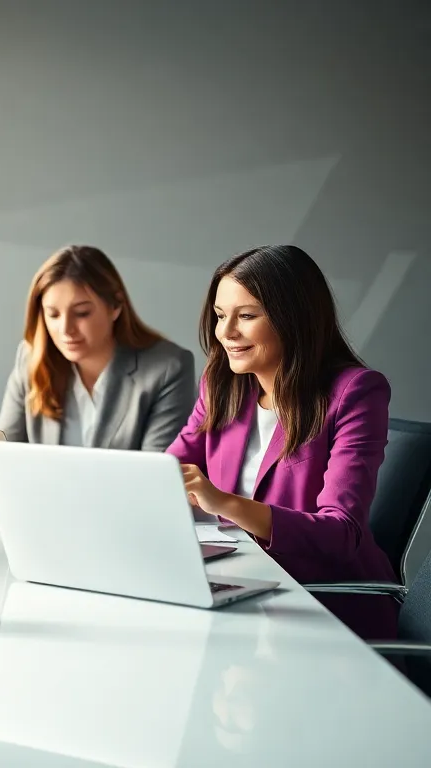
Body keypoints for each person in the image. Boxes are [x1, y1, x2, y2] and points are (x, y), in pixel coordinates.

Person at [167, 245, 396, 639]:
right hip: (243, 582)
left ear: (294, 319)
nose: (226, 332)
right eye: (221, 316)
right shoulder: (222, 383)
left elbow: (341, 533)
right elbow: (170, 468)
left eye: (247, 316)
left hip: (324, 605)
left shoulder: (356, 393)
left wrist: (223, 502)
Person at [0, 245, 196, 451]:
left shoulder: (168, 368)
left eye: (82, 313)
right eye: (53, 314)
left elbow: (156, 472)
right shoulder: (31, 357)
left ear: (115, 306)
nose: (66, 329)